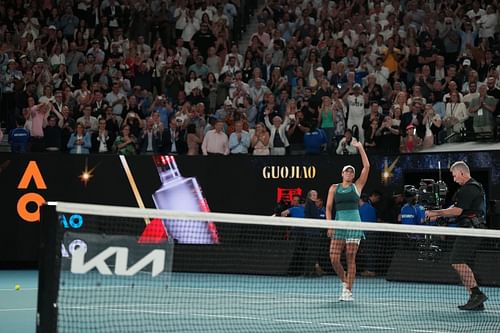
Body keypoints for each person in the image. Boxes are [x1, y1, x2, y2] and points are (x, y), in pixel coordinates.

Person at [426, 161, 488, 311]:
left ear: (461, 173)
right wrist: (437, 214)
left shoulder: (469, 188)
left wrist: (436, 213)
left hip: (471, 231)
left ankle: (477, 294)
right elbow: (455, 207)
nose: (454, 179)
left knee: (456, 260)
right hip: (470, 229)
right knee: (463, 262)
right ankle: (476, 300)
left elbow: (457, 211)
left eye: (454, 176)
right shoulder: (471, 187)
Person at [326, 141, 370, 301]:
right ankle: (345, 280)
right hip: (338, 225)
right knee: (334, 257)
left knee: (350, 256)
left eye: (352, 172)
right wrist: (329, 225)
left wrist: (360, 147)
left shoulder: (357, 186)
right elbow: (329, 208)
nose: (350, 173)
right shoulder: (333, 188)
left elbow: (367, 167)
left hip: (354, 224)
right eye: (347, 171)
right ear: (342, 174)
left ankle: (348, 290)